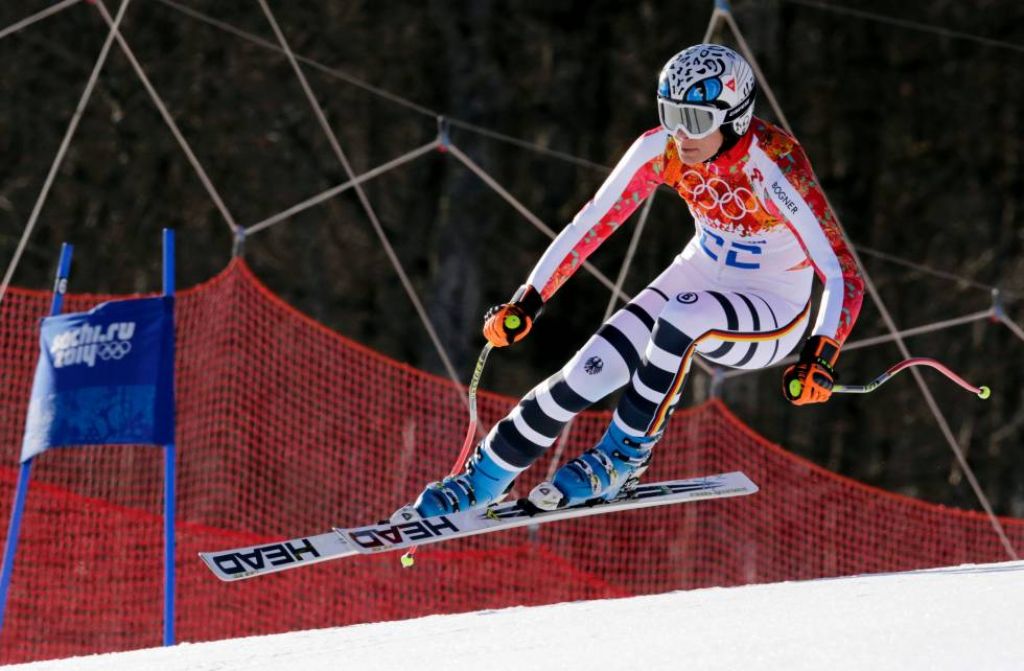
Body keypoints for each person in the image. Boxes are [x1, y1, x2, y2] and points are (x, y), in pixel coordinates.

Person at [400, 43, 864, 518]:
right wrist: (529, 300)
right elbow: (590, 224)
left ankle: (624, 456)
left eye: (698, 120)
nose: (682, 134)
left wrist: (820, 352)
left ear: (736, 117)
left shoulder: (774, 164)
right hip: (700, 272)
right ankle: (482, 479)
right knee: (585, 371)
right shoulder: (662, 149)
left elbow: (840, 269)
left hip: (772, 308)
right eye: (670, 114)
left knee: (683, 313)